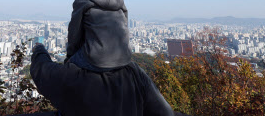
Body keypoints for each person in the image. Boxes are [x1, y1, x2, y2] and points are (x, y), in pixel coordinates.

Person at [30, 43, 175, 116]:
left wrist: (39, 49)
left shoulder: (71, 75)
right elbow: (164, 112)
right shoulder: (133, 72)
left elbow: (42, 70)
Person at [66, 0, 132, 72]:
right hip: (124, 58)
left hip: (97, 61)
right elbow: (125, 21)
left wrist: (70, 56)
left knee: (69, 64)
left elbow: (74, 31)